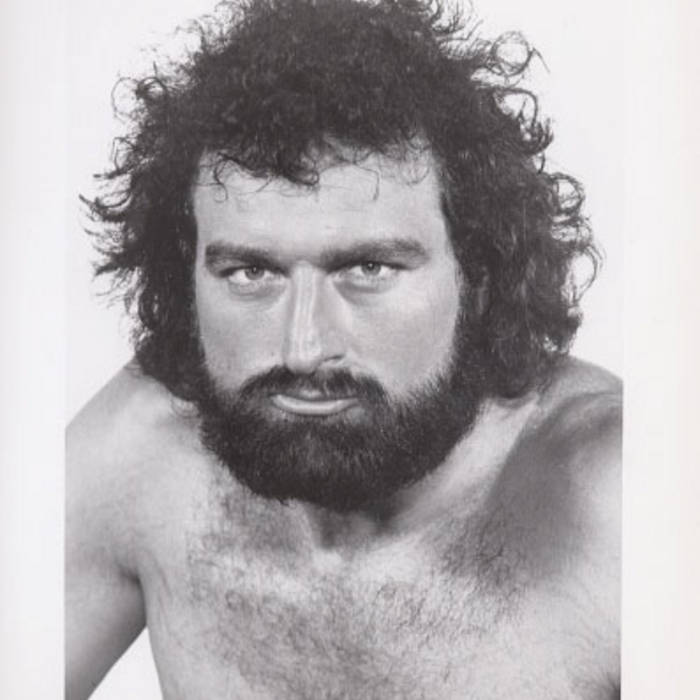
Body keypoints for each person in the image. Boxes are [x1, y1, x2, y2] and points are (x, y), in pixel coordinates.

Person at [65, 0, 621, 697]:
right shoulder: (143, 455)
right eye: (251, 272)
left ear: (479, 272)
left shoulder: (617, 499)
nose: (303, 348)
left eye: (367, 269)